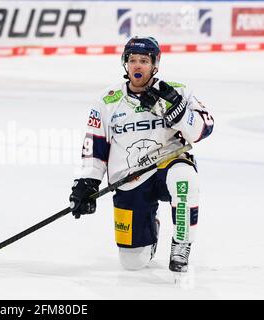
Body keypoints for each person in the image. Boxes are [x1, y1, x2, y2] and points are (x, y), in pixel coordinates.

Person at [69, 36, 214, 273]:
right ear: (125, 63)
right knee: (133, 262)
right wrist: (87, 182)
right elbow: (95, 145)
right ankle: (150, 227)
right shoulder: (107, 100)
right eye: (133, 60)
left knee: (184, 180)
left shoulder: (176, 91)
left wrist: (177, 111)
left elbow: (203, 129)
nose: (138, 65)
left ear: (155, 64)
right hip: (130, 178)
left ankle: (181, 243)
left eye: (144, 60)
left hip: (168, 164)